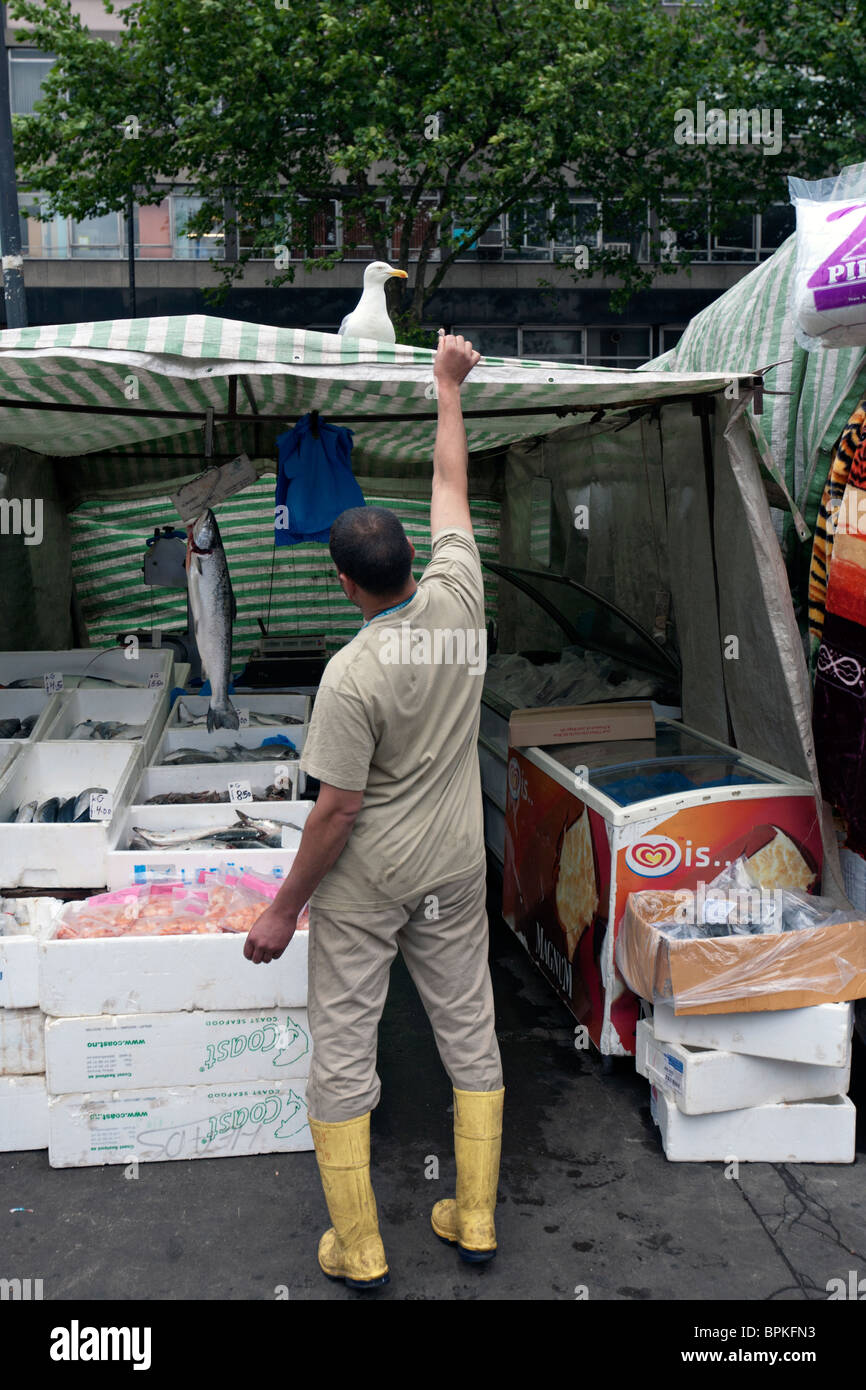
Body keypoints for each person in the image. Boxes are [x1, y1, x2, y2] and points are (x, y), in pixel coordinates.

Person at [244, 333, 504, 1290]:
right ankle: (472, 1214)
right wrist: (446, 386)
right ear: (412, 562)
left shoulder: (349, 674)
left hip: (368, 885)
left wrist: (282, 908)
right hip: (452, 866)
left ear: (347, 583)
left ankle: (359, 1243)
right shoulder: (460, 598)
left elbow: (335, 812)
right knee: (468, 1025)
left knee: (346, 1047)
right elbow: (451, 489)